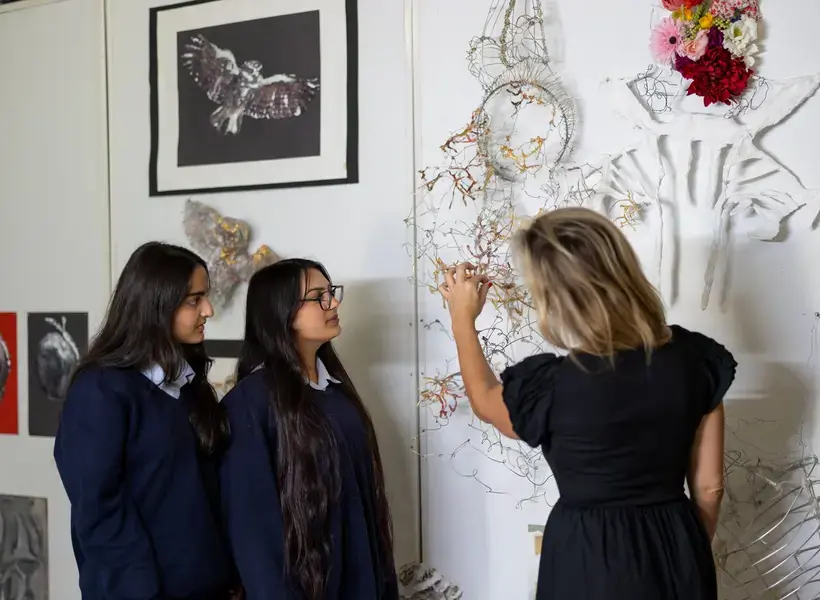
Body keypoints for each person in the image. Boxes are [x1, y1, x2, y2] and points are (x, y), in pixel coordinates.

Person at [439, 207, 734, 600]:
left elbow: (483, 400)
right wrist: (685, 551)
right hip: (675, 543)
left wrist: (462, 319)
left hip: (585, 554)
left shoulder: (551, 387)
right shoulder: (696, 361)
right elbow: (710, 488)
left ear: (555, 297)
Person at [54, 242, 237, 600]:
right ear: (157, 303)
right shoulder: (102, 390)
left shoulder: (188, 386)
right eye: (194, 300)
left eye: (206, 297)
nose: (209, 310)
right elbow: (99, 510)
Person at [220, 258, 397, 600]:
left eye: (331, 293)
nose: (332, 303)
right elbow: (252, 531)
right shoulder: (250, 403)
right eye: (318, 297)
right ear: (281, 310)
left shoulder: (337, 393)